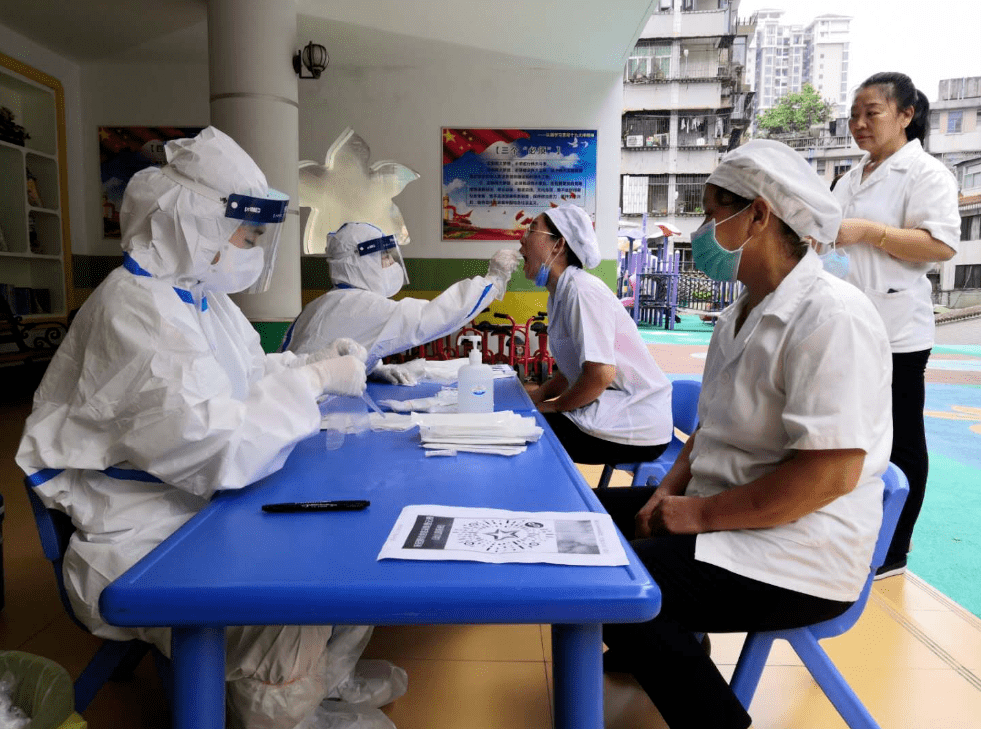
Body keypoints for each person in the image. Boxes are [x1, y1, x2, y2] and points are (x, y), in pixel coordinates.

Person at [15, 127, 387, 729]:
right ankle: (285, 712)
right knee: (296, 602)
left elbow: (244, 372)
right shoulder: (135, 310)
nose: (251, 249)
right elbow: (218, 447)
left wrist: (307, 364)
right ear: (195, 224)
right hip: (137, 532)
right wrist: (314, 384)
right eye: (248, 234)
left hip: (187, 505)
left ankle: (324, 686)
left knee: (346, 552)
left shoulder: (194, 297)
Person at [596, 140, 893, 729]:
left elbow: (829, 474)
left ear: (757, 215)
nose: (703, 230)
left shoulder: (832, 318)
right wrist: (667, 493)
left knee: (620, 577)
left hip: (800, 548)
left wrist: (697, 516)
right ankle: (667, 641)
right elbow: (709, 428)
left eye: (713, 212)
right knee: (586, 520)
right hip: (730, 508)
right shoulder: (740, 314)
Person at [833, 72, 960, 579]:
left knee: (902, 440)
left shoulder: (926, 174)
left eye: (872, 113)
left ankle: (894, 548)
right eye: (854, 114)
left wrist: (871, 232)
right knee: (850, 433)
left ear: (906, 115)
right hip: (847, 324)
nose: (860, 123)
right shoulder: (852, 175)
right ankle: (853, 529)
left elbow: (940, 245)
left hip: (897, 330)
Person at [520, 204, 672, 466]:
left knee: (523, 433)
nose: (522, 239)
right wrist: (540, 395)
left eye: (532, 229)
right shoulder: (561, 293)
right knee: (524, 421)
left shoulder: (581, 291)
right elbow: (574, 370)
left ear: (558, 245)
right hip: (613, 408)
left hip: (635, 423)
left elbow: (600, 374)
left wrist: (555, 406)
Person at [281, 221, 521, 383]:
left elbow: (321, 356)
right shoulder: (362, 305)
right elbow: (437, 316)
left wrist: (370, 368)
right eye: (384, 256)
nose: (391, 263)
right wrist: (494, 280)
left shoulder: (321, 304)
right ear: (359, 262)